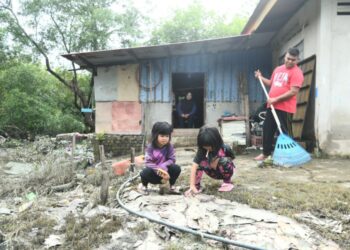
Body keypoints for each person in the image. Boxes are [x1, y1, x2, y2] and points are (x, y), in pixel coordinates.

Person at [254, 47, 304, 161]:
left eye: (293, 60)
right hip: (272, 106)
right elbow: (271, 83)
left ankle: (290, 156)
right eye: (288, 58)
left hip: (285, 108)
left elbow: (293, 91)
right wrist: (260, 78)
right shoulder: (278, 69)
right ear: (285, 56)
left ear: (297, 60)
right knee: (267, 129)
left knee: (285, 132)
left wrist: (275, 99)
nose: (290, 61)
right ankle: (265, 153)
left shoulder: (297, 73)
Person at [185, 126, 236, 196]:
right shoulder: (202, 150)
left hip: (224, 172)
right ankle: (196, 187)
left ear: (216, 140)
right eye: (205, 146)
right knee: (199, 163)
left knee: (224, 161)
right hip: (212, 172)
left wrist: (218, 161)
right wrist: (192, 185)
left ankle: (227, 183)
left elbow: (231, 159)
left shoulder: (225, 148)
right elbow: (194, 165)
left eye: (209, 146)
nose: (207, 148)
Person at [138, 121, 181, 195]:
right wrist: (158, 169)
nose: (164, 138)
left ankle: (172, 186)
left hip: (166, 173)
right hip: (154, 173)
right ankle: (144, 186)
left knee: (176, 168)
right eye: (162, 136)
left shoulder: (169, 146)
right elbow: (148, 162)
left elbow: (172, 159)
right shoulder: (150, 147)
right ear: (155, 135)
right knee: (144, 173)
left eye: (167, 136)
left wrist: (164, 165)